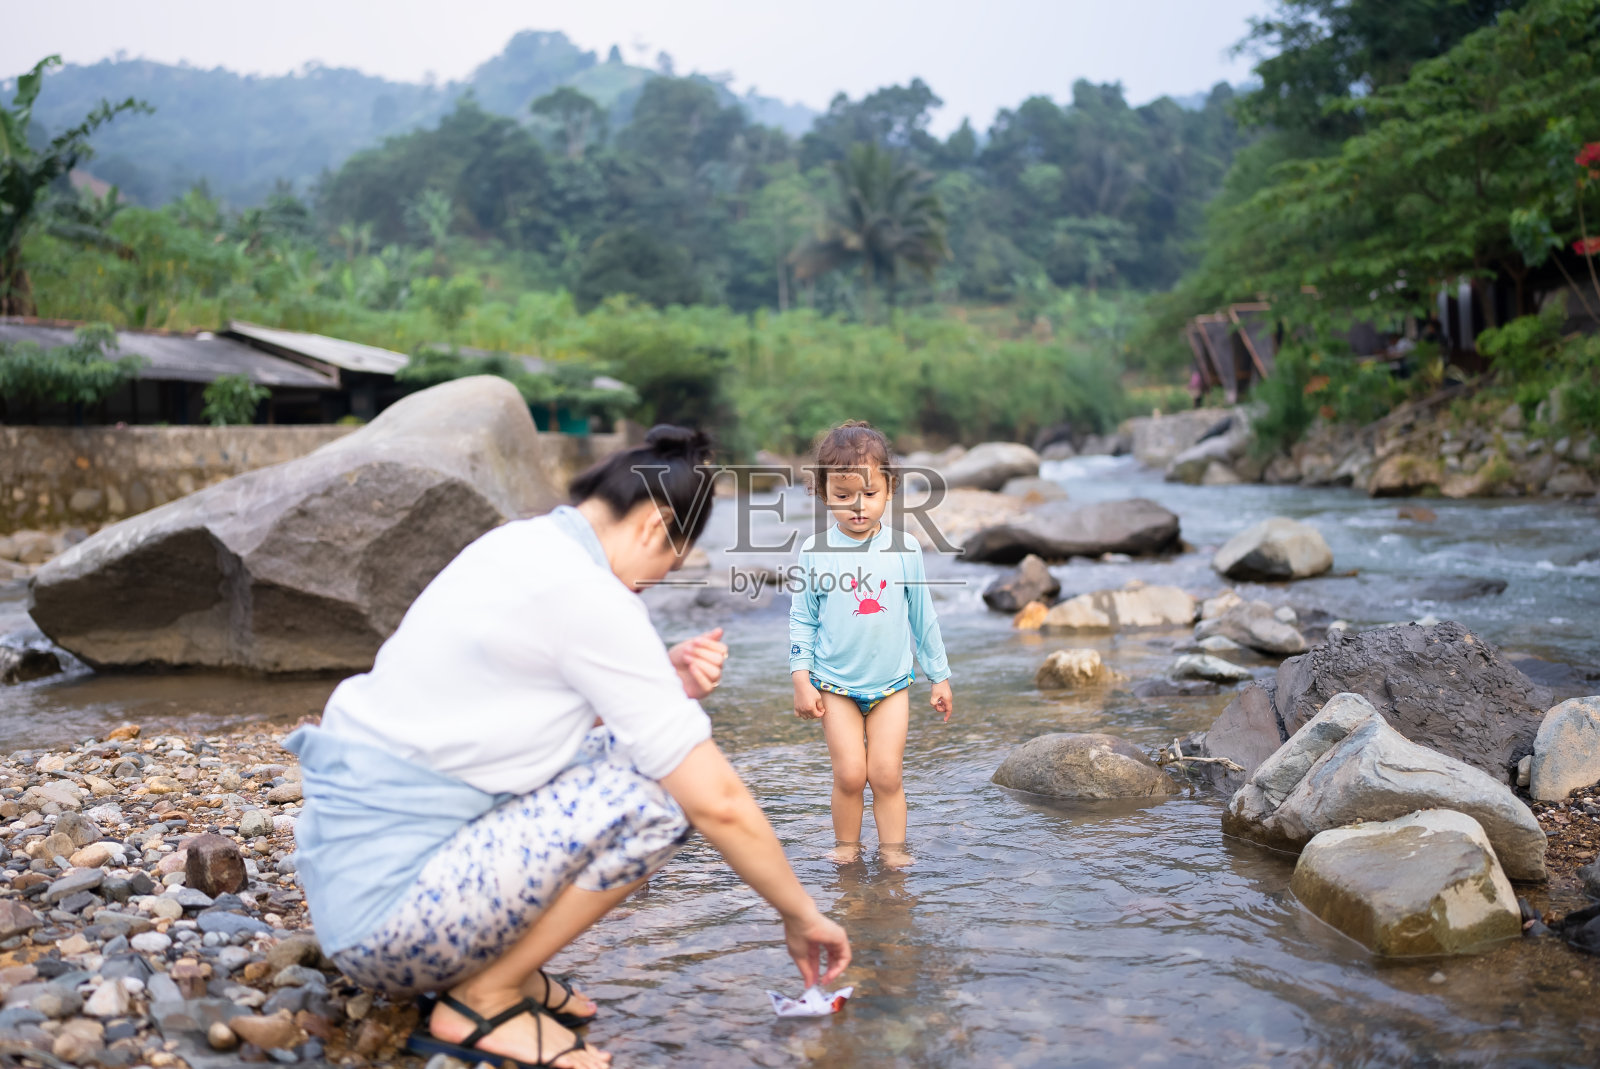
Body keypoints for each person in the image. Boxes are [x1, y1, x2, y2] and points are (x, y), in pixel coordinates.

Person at [284, 426, 850, 1069]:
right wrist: (801, 914)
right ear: (654, 526)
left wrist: (665, 678)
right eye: (673, 563)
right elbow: (716, 800)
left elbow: (517, 720)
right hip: (387, 925)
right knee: (659, 795)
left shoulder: (522, 544)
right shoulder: (592, 597)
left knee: (622, 752)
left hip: (354, 879)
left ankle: (502, 971)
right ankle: (483, 999)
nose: (659, 582)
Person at [788, 421, 955, 868]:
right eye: (843, 497)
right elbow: (802, 619)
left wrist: (939, 676)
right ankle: (846, 847)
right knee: (849, 774)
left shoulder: (905, 550)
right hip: (834, 683)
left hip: (891, 685)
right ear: (824, 494)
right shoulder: (815, 552)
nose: (857, 507)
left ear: (890, 489)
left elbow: (923, 617)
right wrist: (801, 678)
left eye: (869, 494)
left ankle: (893, 851)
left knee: (884, 774)